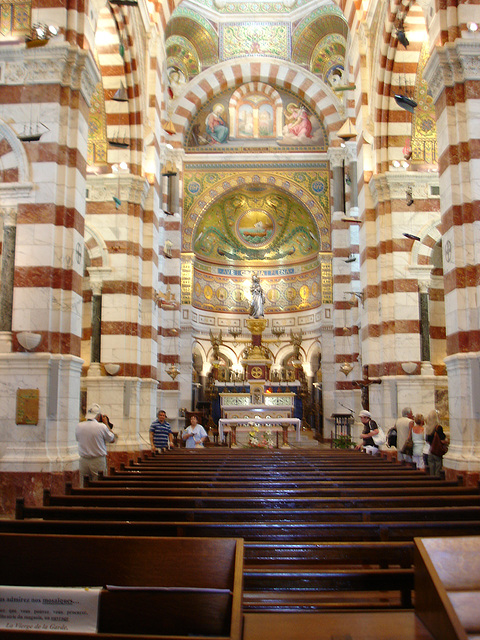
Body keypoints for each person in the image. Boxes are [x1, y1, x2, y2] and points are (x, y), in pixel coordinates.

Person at [76, 403, 116, 485]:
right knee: (99, 486)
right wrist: (106, 424)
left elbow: (77, 439)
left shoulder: (79, 426)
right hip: (97, 460)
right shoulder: (101, 427)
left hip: (83, 460)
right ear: (99, 416)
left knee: (83, 485)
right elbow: (112, 439)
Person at [425, 409, 449, 476]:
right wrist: (447, 441)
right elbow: (442, 440)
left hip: (430, 452)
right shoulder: (438, 428)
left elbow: (427, 440)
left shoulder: (428, 428)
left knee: (432, 473)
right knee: (438, 472)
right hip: (437, 452)